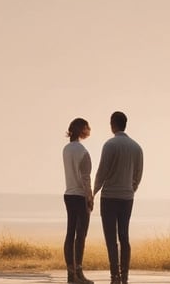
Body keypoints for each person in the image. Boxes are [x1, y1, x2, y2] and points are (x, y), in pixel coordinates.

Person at [93, 111, 143, 284]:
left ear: (112, 124)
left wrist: (93, 192)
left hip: (109, 197)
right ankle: (125, 274)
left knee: (111, 237)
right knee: (124, 236)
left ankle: (114, 274)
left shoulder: (110, 145)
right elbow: (138, 173)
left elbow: (102, 171)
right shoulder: (136, 147)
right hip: (127, 197)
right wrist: (131, 189)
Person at [62, 118, 95, 284]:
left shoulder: (66, 149)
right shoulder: (83, 151)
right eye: (88, 127)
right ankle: (79, 273)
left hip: (68, 194)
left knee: (70, 233)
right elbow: (85, 178)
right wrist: (90, 198)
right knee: (81, 235)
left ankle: (70, 273)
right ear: (82, 129)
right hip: (80, 196)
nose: (89, 129)